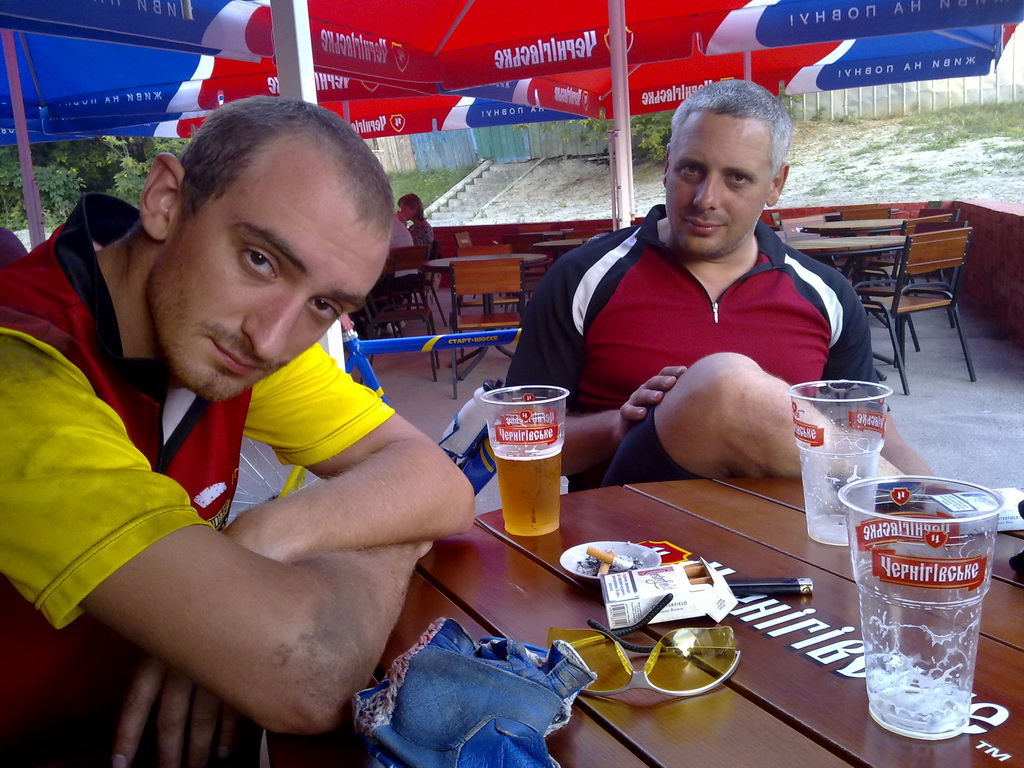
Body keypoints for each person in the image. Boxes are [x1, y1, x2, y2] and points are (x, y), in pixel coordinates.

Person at [0, 96, 475, 766]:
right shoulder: (19, 373)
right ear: (165, 200)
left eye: (323, 304)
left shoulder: (225, 341)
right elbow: (307, 675)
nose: (272, 338)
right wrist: (393, 543)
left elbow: (439, 484)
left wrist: (266, 535)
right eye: (259, 260)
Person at [506, 80, 927, 491]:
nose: (706, 198)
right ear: (667, 165)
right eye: (692, 169)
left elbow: (877, 437)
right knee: (725, 385)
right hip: (629, 529)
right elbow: (516, 440)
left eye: (737, 178)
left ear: (776, 184)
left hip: (783, 532)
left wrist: (941, 506)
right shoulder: (583, 278)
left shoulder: (827, 294)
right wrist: (618, 426)